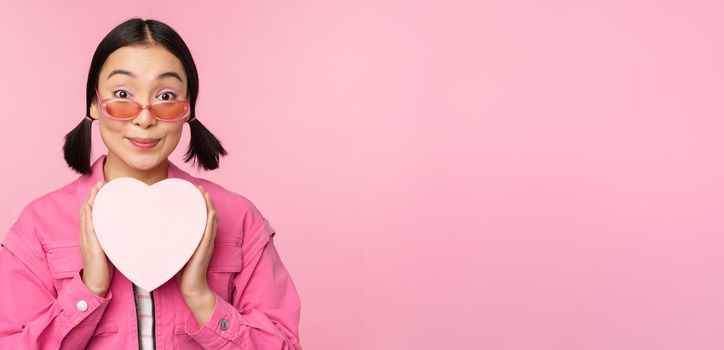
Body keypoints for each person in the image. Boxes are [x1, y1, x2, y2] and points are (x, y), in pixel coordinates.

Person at [0, 17, 303, 349]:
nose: (145, 118)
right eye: (122, 94)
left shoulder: (239, 219)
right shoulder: (38, 227)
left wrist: (201, 298)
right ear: (93, 104)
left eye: (166, 95)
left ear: (188, 108)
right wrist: (90, 288)